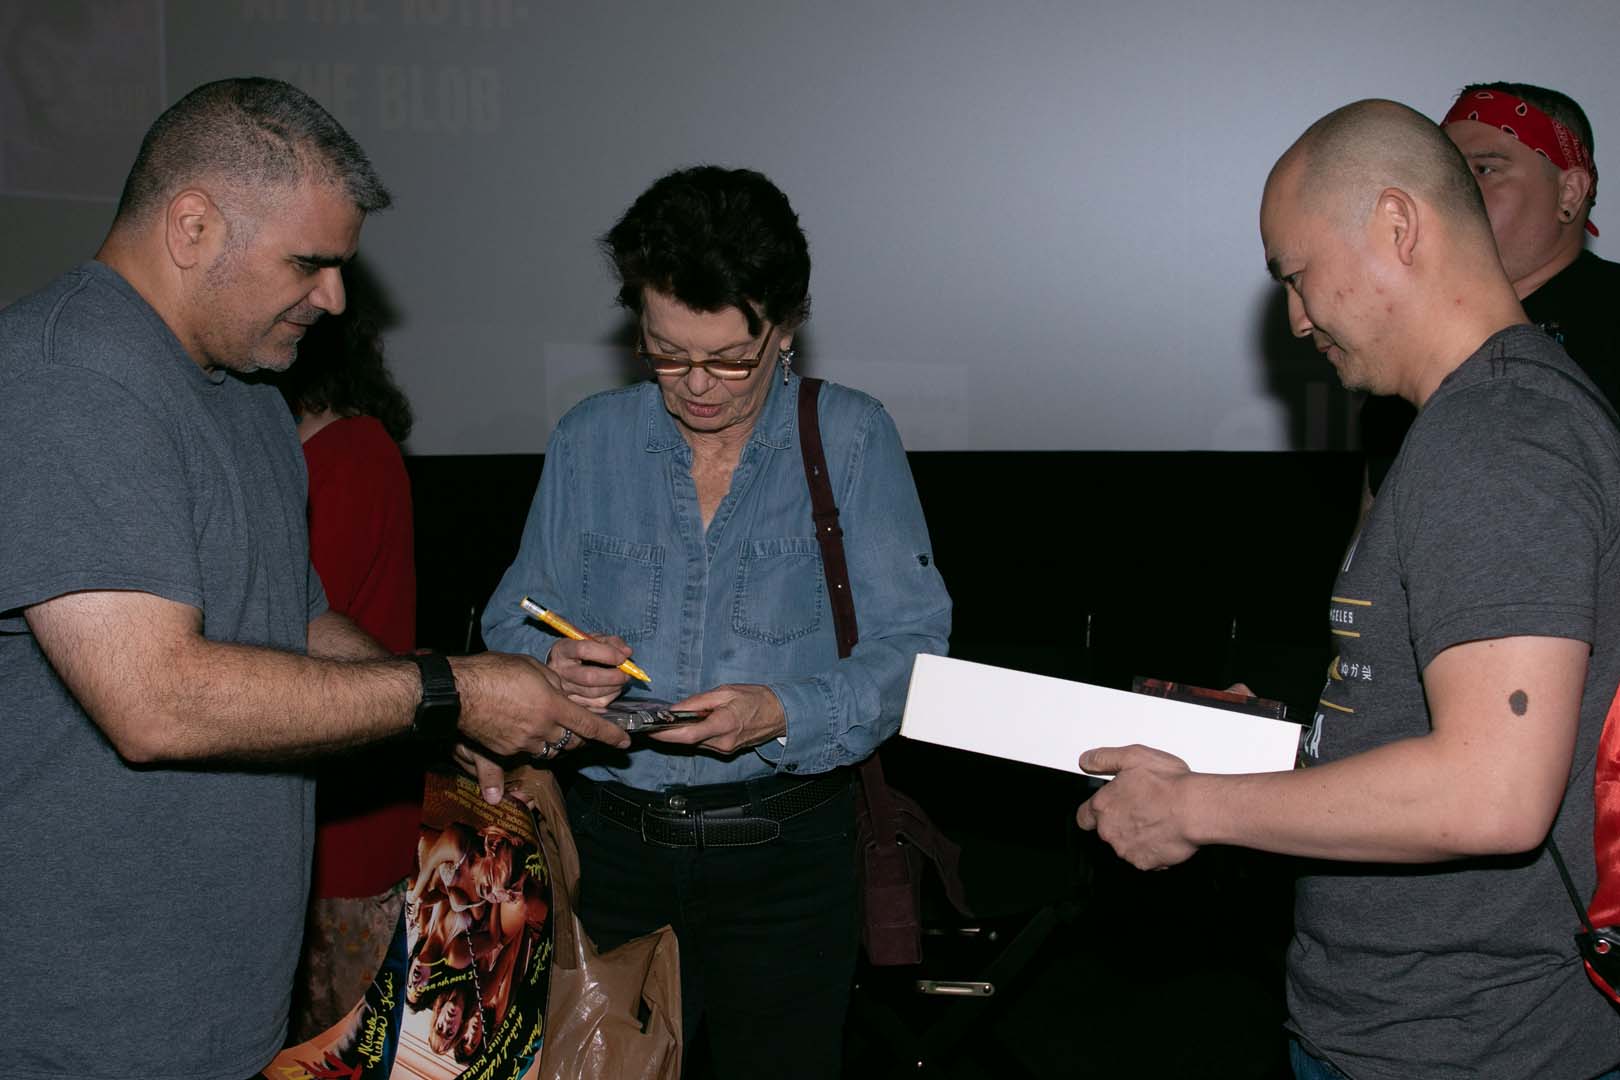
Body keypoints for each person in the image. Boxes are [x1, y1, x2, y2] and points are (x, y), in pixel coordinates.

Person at [0, 76, 628, 1080]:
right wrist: (454, 690)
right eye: (310, 263)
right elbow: (153, 700)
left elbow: (297, 619)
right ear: (192, 226)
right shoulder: (72, 375)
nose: (334, 298)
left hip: (219, 1007)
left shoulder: (249, 398)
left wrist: (448, 710)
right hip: (78, 1026)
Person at [1077, 100, 1620, 1080]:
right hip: (1422, 1028)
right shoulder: (1483, 419)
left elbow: (1491, 794)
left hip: (1464, 1043)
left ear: (1398, 225)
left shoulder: (1497, 437)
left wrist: (1194, 808)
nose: (1296, 316)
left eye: (1296, 274)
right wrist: (1277, 737)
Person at [482, 165, 952, 1078]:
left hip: (787, 862)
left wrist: (783, 711)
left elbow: (914, 649)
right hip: (610, 854)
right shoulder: (590, 440)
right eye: (666, 354)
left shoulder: (851, 439)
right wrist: (551, 664)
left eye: (732, 360)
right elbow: (513, 618)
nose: (697, 385)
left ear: (788, 326)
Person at [269, 303, 427, 1040]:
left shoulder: (353, 451)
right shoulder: (284, 447)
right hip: (298, 813)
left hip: (346, 820)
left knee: (340, 1050)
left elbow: (281, 624)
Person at [1361, 82, 1618, 496]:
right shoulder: (1410, 336)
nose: (1454, 195)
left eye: (1484, 170)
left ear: (1569, 192)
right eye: (1446, 177)